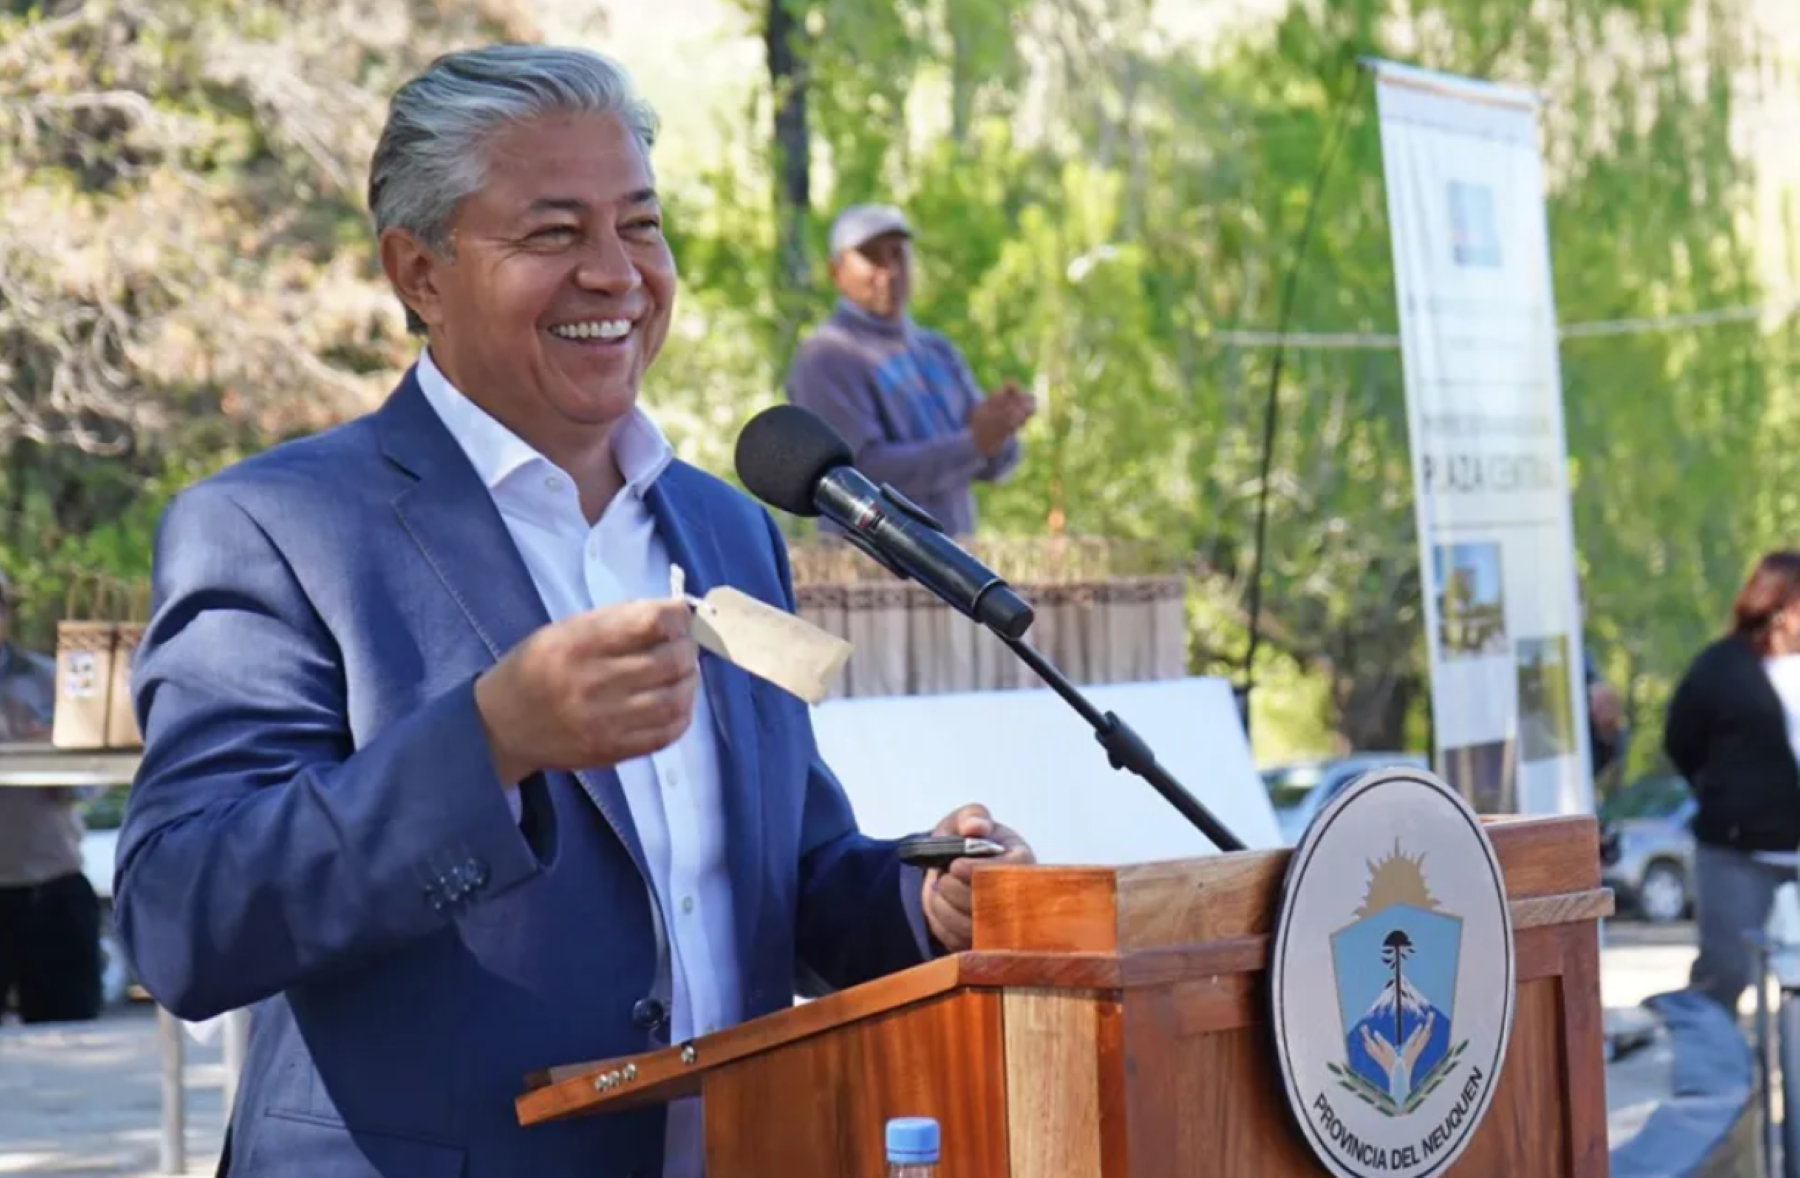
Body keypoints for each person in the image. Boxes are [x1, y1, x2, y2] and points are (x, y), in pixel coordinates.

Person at [113, 45, 1034, 1178]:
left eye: (640, 226)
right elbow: (183, 920)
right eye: (553, 233)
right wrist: (489, 741)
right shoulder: (275, 527)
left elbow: (780, 881)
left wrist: (921, 898)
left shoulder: (726, 526)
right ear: (420, 272)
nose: (616, 273)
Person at [783, 203, 1034, 537]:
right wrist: (973, 445)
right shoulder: (826, 356)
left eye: (898, 254)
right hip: (870, 571)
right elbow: (856, 478)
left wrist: (1002, 428)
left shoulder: (937, 350)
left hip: (954, 564)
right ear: (836, 272)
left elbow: (994, 463)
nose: (889, 269)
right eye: (872, 256)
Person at [1664, 550, 1800, 1014]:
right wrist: (1724, 794)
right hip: (1737, 854)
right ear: (1780, 606)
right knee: (1725, 973)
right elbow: (1682, 739)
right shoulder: (1720, 669)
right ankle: (1718, 1083)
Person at [0, 569, 103, 1024]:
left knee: (70, 1038)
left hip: (52, 888)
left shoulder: (52, 680)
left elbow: (97, 771)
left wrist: (66, 771)